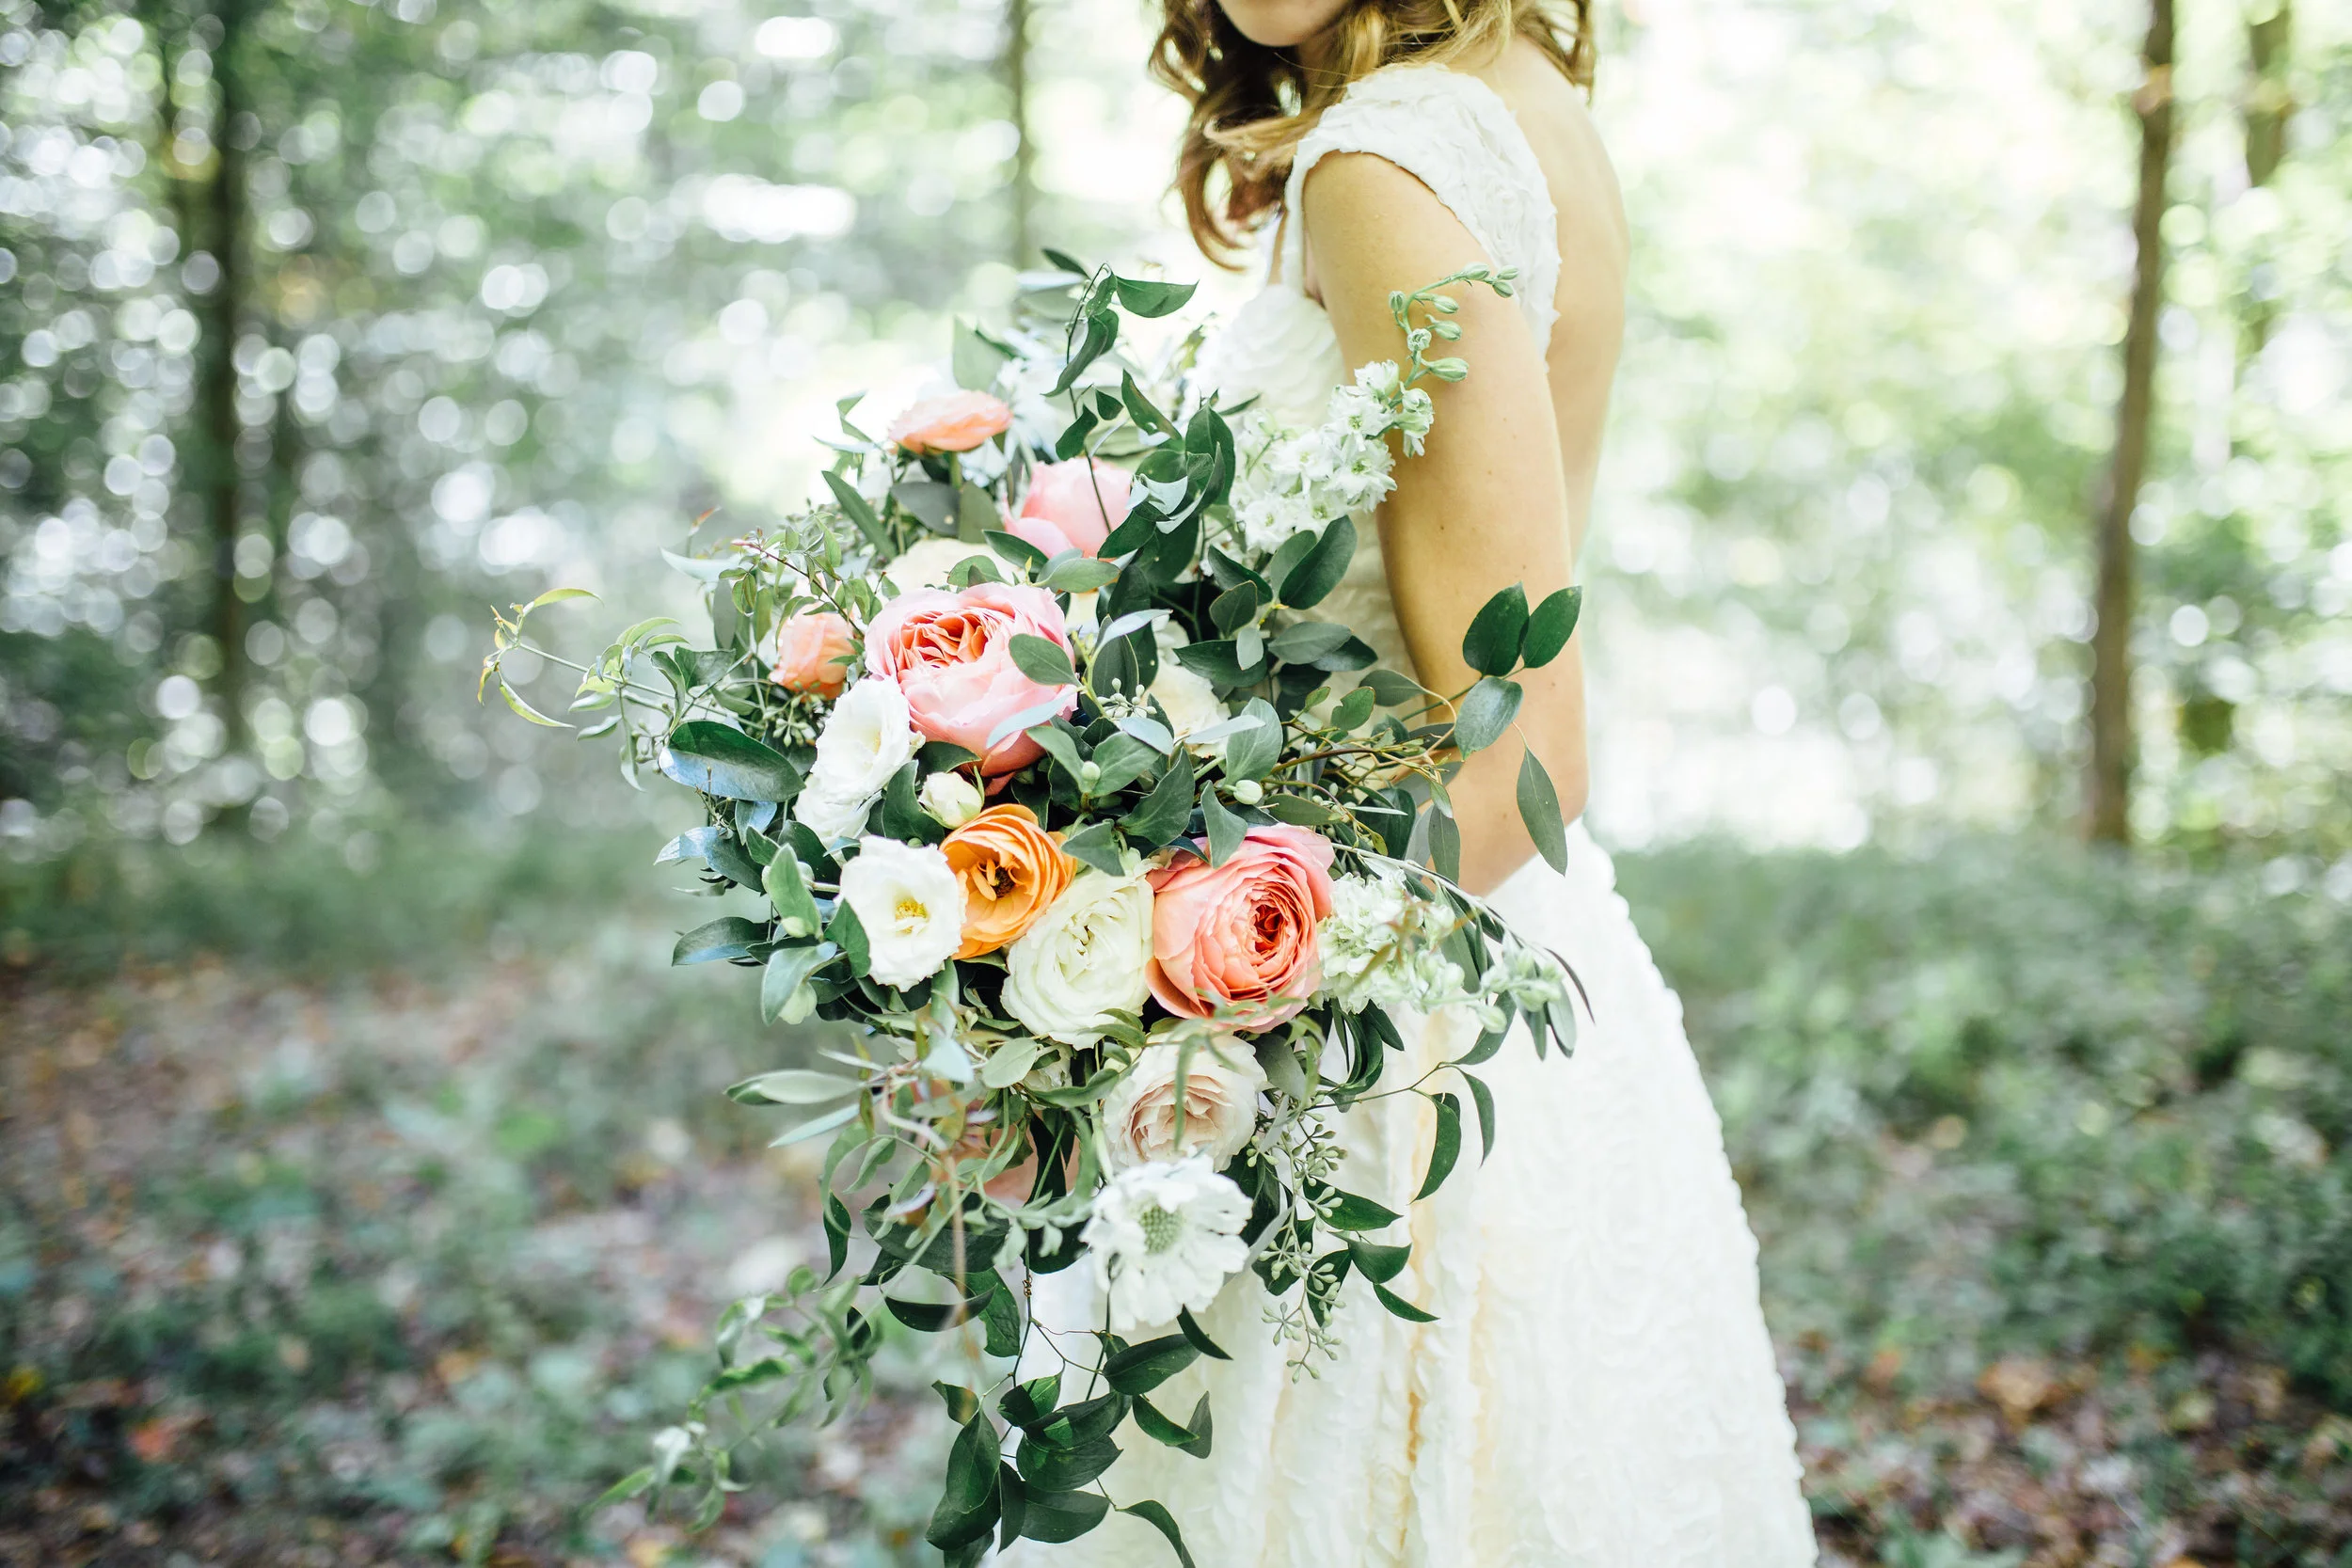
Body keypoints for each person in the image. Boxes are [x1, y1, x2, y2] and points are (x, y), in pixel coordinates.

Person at [1008, 2, 1818, 1561]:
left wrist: (1175, 980)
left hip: (1383, 1049)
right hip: (1525, 994)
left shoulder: (1385, 161)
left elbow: (1521, 755)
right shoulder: (1520, 104)